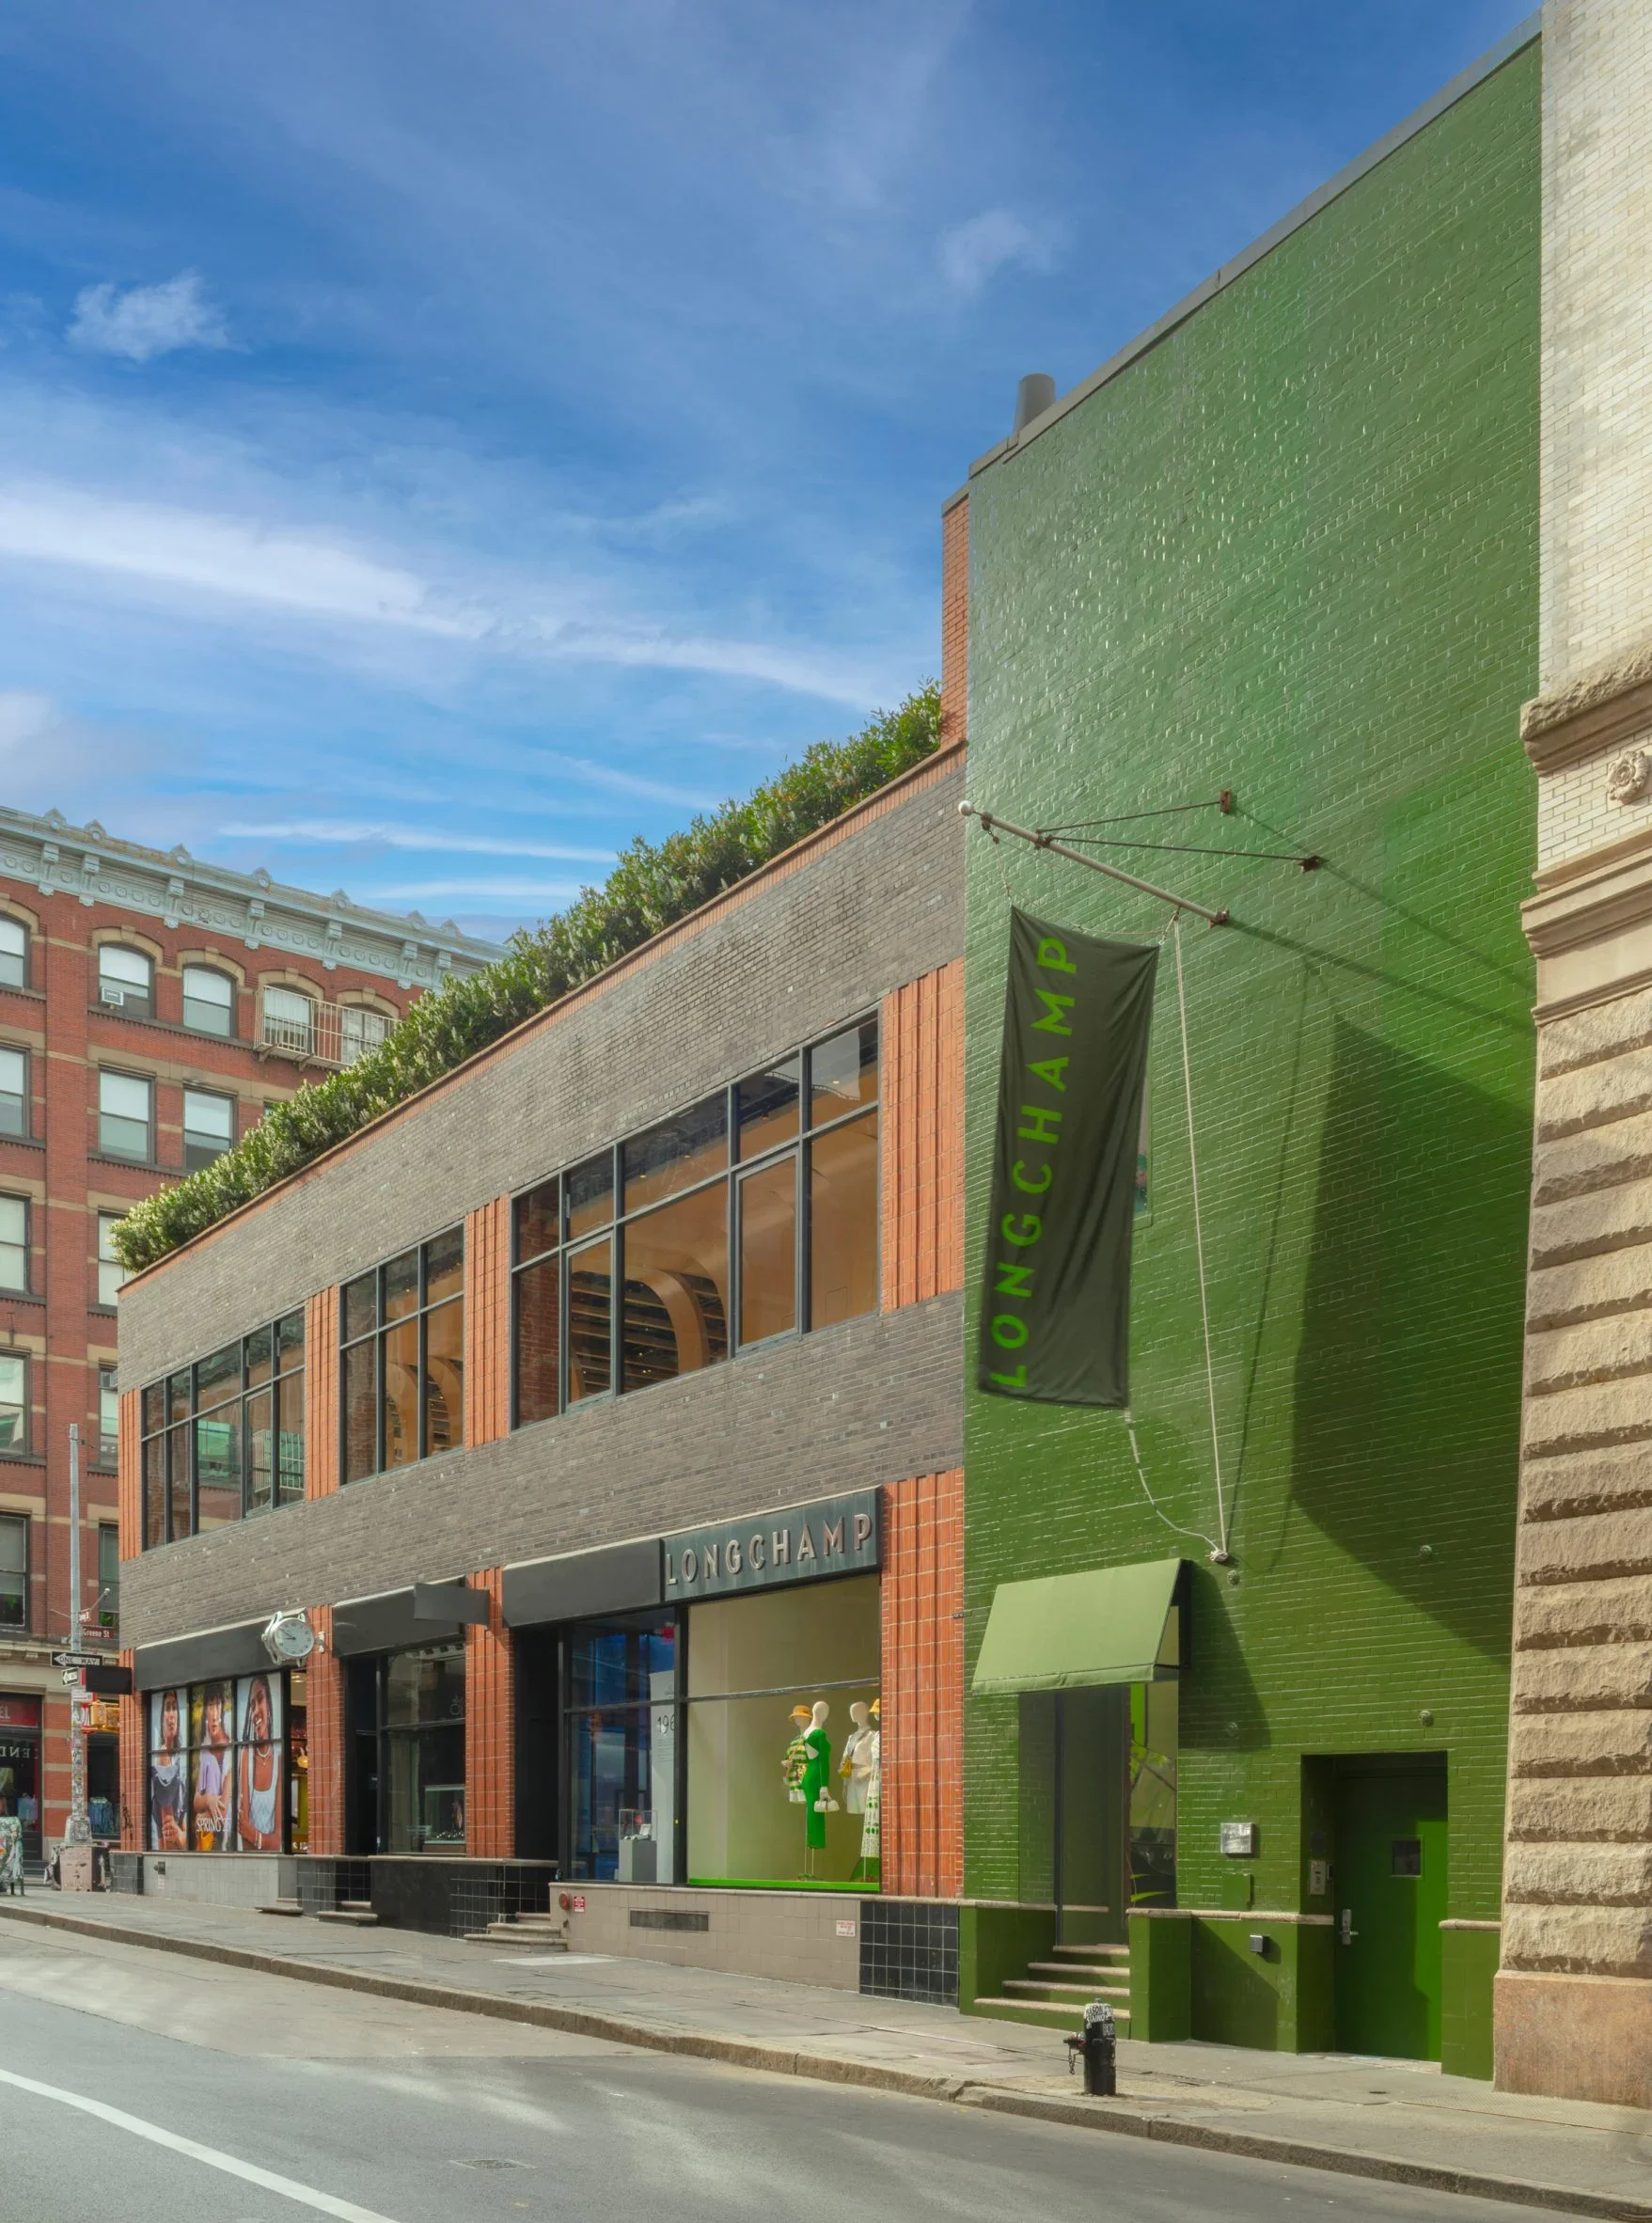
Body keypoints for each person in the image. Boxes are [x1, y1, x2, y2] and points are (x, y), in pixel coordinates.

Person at [236, 1675, 282, 1852]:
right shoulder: (246, 1755)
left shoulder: (279, 1759)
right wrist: (263, 1840)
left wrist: (254, 1835)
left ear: (269, 1704)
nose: (255, 1711)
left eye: (260, 1700)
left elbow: (279, 1841)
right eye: (251, 1705)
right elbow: (243, 1833)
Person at [191, 1684, 232, 1850]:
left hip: (230, 1839)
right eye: (210, 1705)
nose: (214, 1713)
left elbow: (221, 1814)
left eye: (217, 1705)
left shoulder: (232, 1746)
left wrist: (201, 1817)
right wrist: (209, 1799)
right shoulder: (205, 1752)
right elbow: (196, 1801)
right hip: (211, 1841)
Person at [149, 1688, 188, 1852]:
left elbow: (180, 1826)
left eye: (175, 1707)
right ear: (161, 1716)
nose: (171, 1715)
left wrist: (180, 1834)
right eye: (167, 1708)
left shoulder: (182, 1759)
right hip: (165, 1848)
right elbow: (166, 1829)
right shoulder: (162, 1754)